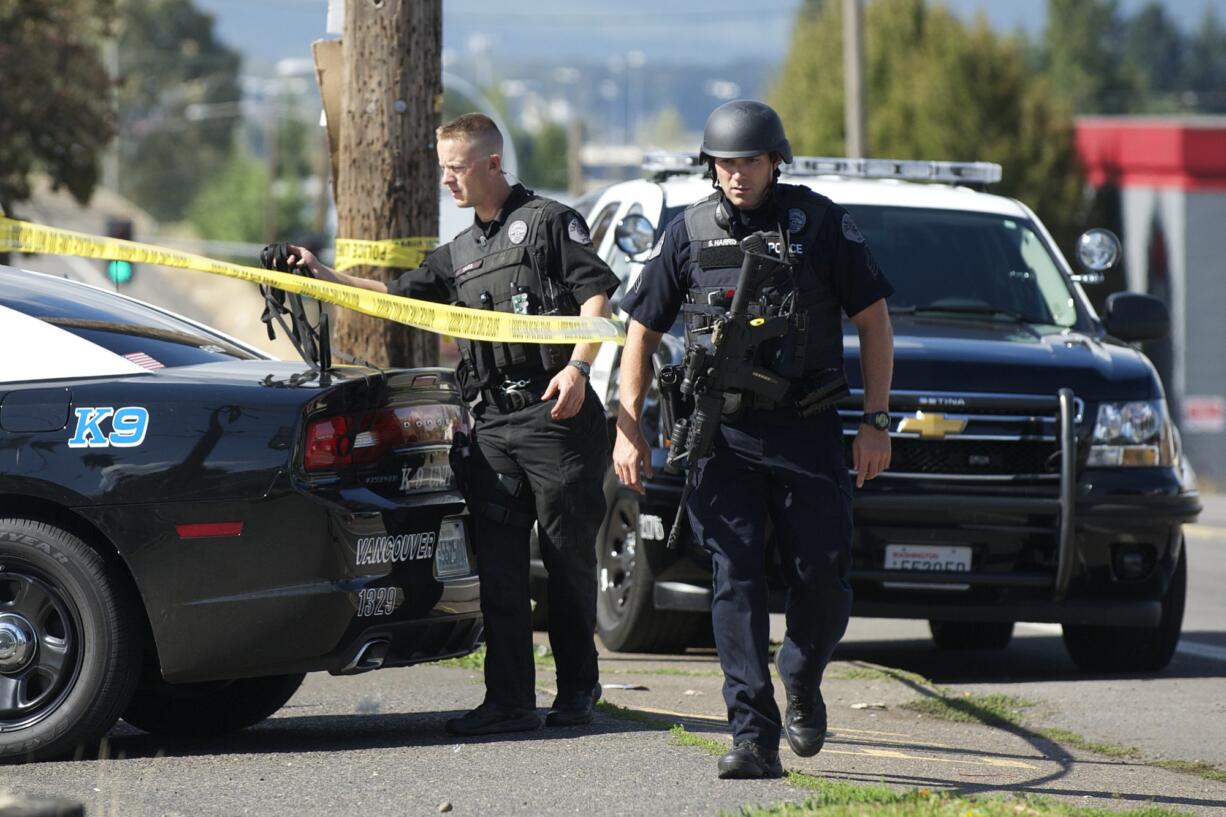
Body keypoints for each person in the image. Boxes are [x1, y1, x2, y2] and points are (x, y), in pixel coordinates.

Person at [272, 113, 619, 736]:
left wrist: (578, 369)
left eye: (455, 168)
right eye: (442, 169)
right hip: (493, 426)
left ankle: (577, 694)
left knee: (567, 566)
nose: (446, 181)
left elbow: (597, 295)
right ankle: (510, 701)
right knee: (502, 576)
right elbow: (390, 295)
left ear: (491, 163)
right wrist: (317, 274)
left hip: (556, 417)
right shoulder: (460, 252)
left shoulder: (546, 223)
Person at [612, 100, 894, 779]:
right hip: (723, 439)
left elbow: (874, 321)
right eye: (725, 163)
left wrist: (876, 420)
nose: (736, 175)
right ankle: (751, 733)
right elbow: (641, 335)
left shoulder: (819, 223)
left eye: (748, 161)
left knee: (820, 575)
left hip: (807, 431)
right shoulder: (687, 232)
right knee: (733, 581)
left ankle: (800, 672)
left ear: (774, 161)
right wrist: (629, 428)